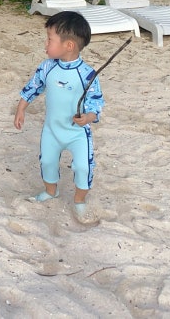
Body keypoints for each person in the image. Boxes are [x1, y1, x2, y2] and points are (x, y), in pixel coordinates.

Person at [13, 11, 104, 219]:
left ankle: (80, 200)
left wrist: (88, 118)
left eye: (50, 39)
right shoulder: (47, 67)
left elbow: (96, 102)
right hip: (52, 131)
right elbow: (32, 87)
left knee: (83, 166)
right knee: (47, 162)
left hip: (77, 133)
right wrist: (21, 108)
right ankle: (50, 191)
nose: (45, 44)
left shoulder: (87, 74)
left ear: (68, 45)